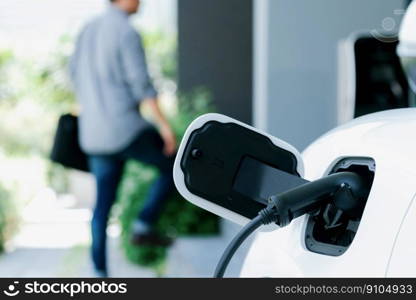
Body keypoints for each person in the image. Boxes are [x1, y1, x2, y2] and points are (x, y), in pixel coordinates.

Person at [69, 0, 176, 277]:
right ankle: (143, 224)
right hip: (126, 129)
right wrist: (165, 128)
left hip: (93, 135)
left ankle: (99, 271)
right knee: (175, 166)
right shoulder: (126, 32)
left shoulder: (87, 29)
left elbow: (73, 76)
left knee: (102, 206)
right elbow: (142, 85)